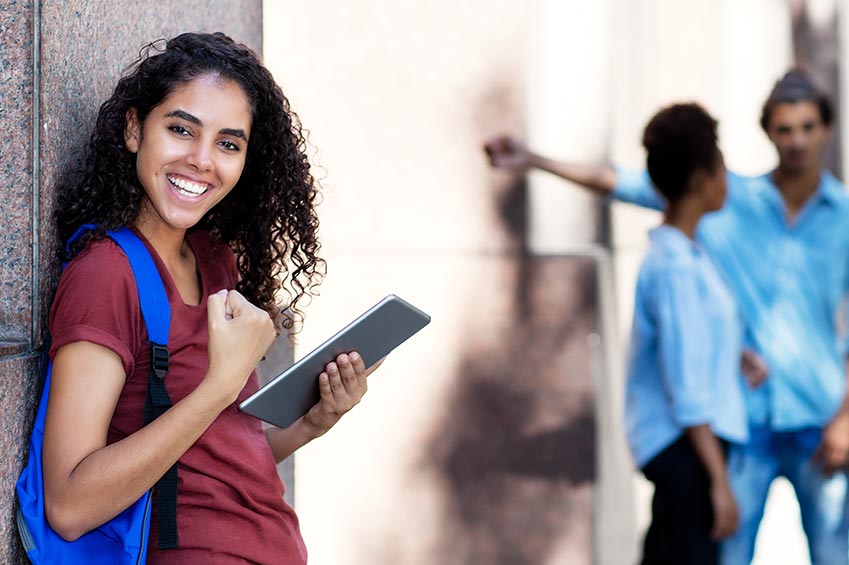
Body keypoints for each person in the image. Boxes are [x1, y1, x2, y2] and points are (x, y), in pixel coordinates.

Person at [485, 70, 849, 564]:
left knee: (834, 553)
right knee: (728, 552)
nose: (798, 141)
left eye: (808, 127)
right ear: (769, 133)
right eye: (785, 129)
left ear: (826, 128)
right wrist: (533, 160)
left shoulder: (844, 217)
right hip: (745, 428)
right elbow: (632, 182)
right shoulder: (729, 201)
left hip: (820, 421)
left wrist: (845, 418)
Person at [41, 32, 379, 564]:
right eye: (180, 130)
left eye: (228, 143)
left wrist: (311, 423)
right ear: (135, 129)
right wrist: (220, 385)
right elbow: (69, 503)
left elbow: (212, 460)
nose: (202, 160)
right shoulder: (106, 276)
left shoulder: (213, 258)